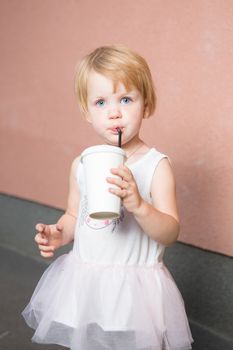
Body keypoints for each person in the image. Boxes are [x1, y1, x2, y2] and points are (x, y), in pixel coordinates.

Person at [22, 45, 193, 350]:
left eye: (126, 99)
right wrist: (59, 233)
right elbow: (75, 215)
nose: (114, 112)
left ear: (147, 106)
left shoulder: (156, 165)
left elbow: (170, 232)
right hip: (86, 279)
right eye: (101, 102)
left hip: (135, 289)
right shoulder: (82, 165)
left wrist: (139, 206)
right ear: (86, 112)